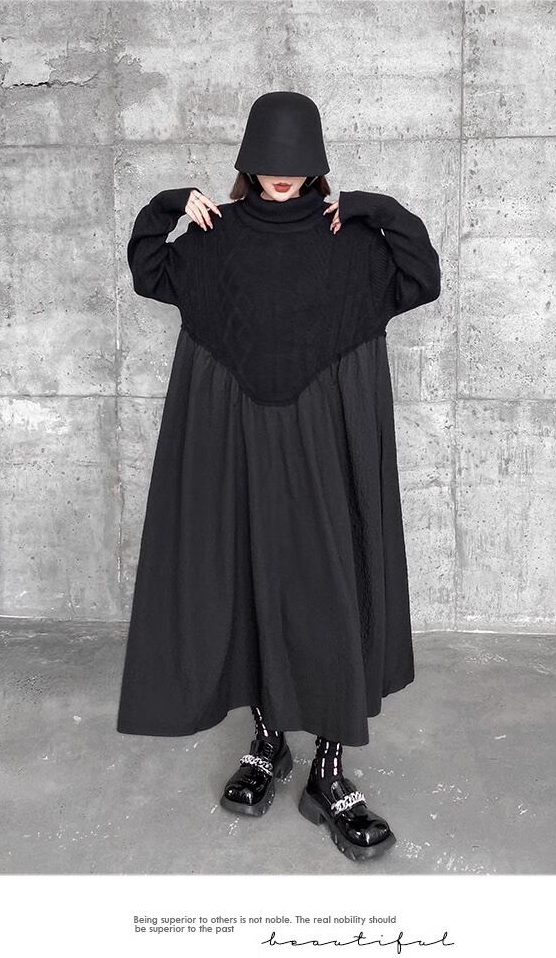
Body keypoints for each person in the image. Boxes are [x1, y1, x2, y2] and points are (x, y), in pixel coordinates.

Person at [116, 91, 441, 862]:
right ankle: (268, 744)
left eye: (296, 158)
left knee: (330, 589)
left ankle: (329, 769)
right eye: (268, 157)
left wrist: (374, 206)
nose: (281, 172)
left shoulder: (350, 240)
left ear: (316, 160)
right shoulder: (216, 238)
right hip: (239, 448)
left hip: (326, 450)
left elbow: (421, 277)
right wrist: (168, 205)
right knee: (248, 582)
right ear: (247, 159)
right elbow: (149, 270)